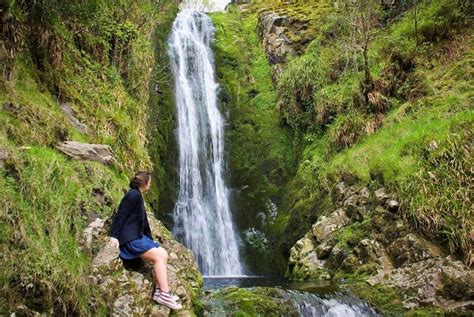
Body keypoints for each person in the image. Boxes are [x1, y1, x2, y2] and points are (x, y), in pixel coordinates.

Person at [109, 171, 182, 310]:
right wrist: (114, 236)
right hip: (131, 239)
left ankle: (160, 292)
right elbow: (121, 215)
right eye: (150, 182)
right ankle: (165, 295)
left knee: (163, 253)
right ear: (145, 183)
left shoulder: (136, 195)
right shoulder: (133, 195)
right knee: (159, 256)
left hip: (137, 236)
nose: (151, 184)